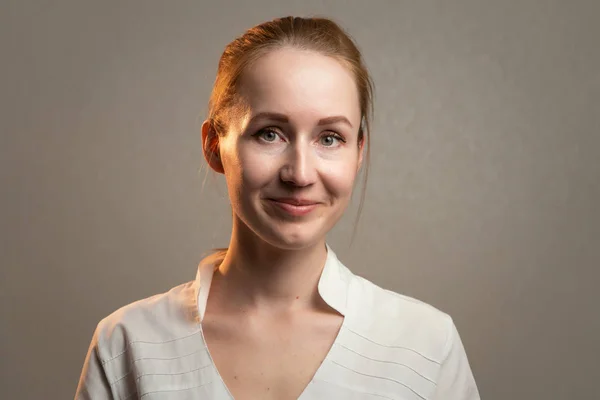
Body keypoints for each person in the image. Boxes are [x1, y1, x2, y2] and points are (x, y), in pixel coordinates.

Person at [75, 16, 480, 400]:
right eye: (269, 133)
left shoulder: (428, 346)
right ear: (214, 146)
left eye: (329, 138)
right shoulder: (127, 343)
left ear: (359, 152)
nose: (300, 174)